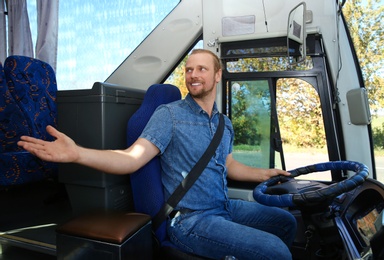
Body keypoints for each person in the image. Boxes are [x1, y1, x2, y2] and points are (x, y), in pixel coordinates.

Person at [18, 49, 297, 259]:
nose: (193, 75)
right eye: (189, 70)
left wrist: (266, 174)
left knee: (286, 221)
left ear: (217, 75)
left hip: (223, 207)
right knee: (277, 252)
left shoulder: (224, 124)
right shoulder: (169, 116)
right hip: (190, 220)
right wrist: (77, 153)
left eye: (201, 69)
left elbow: (228, 164)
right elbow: (131, 158)